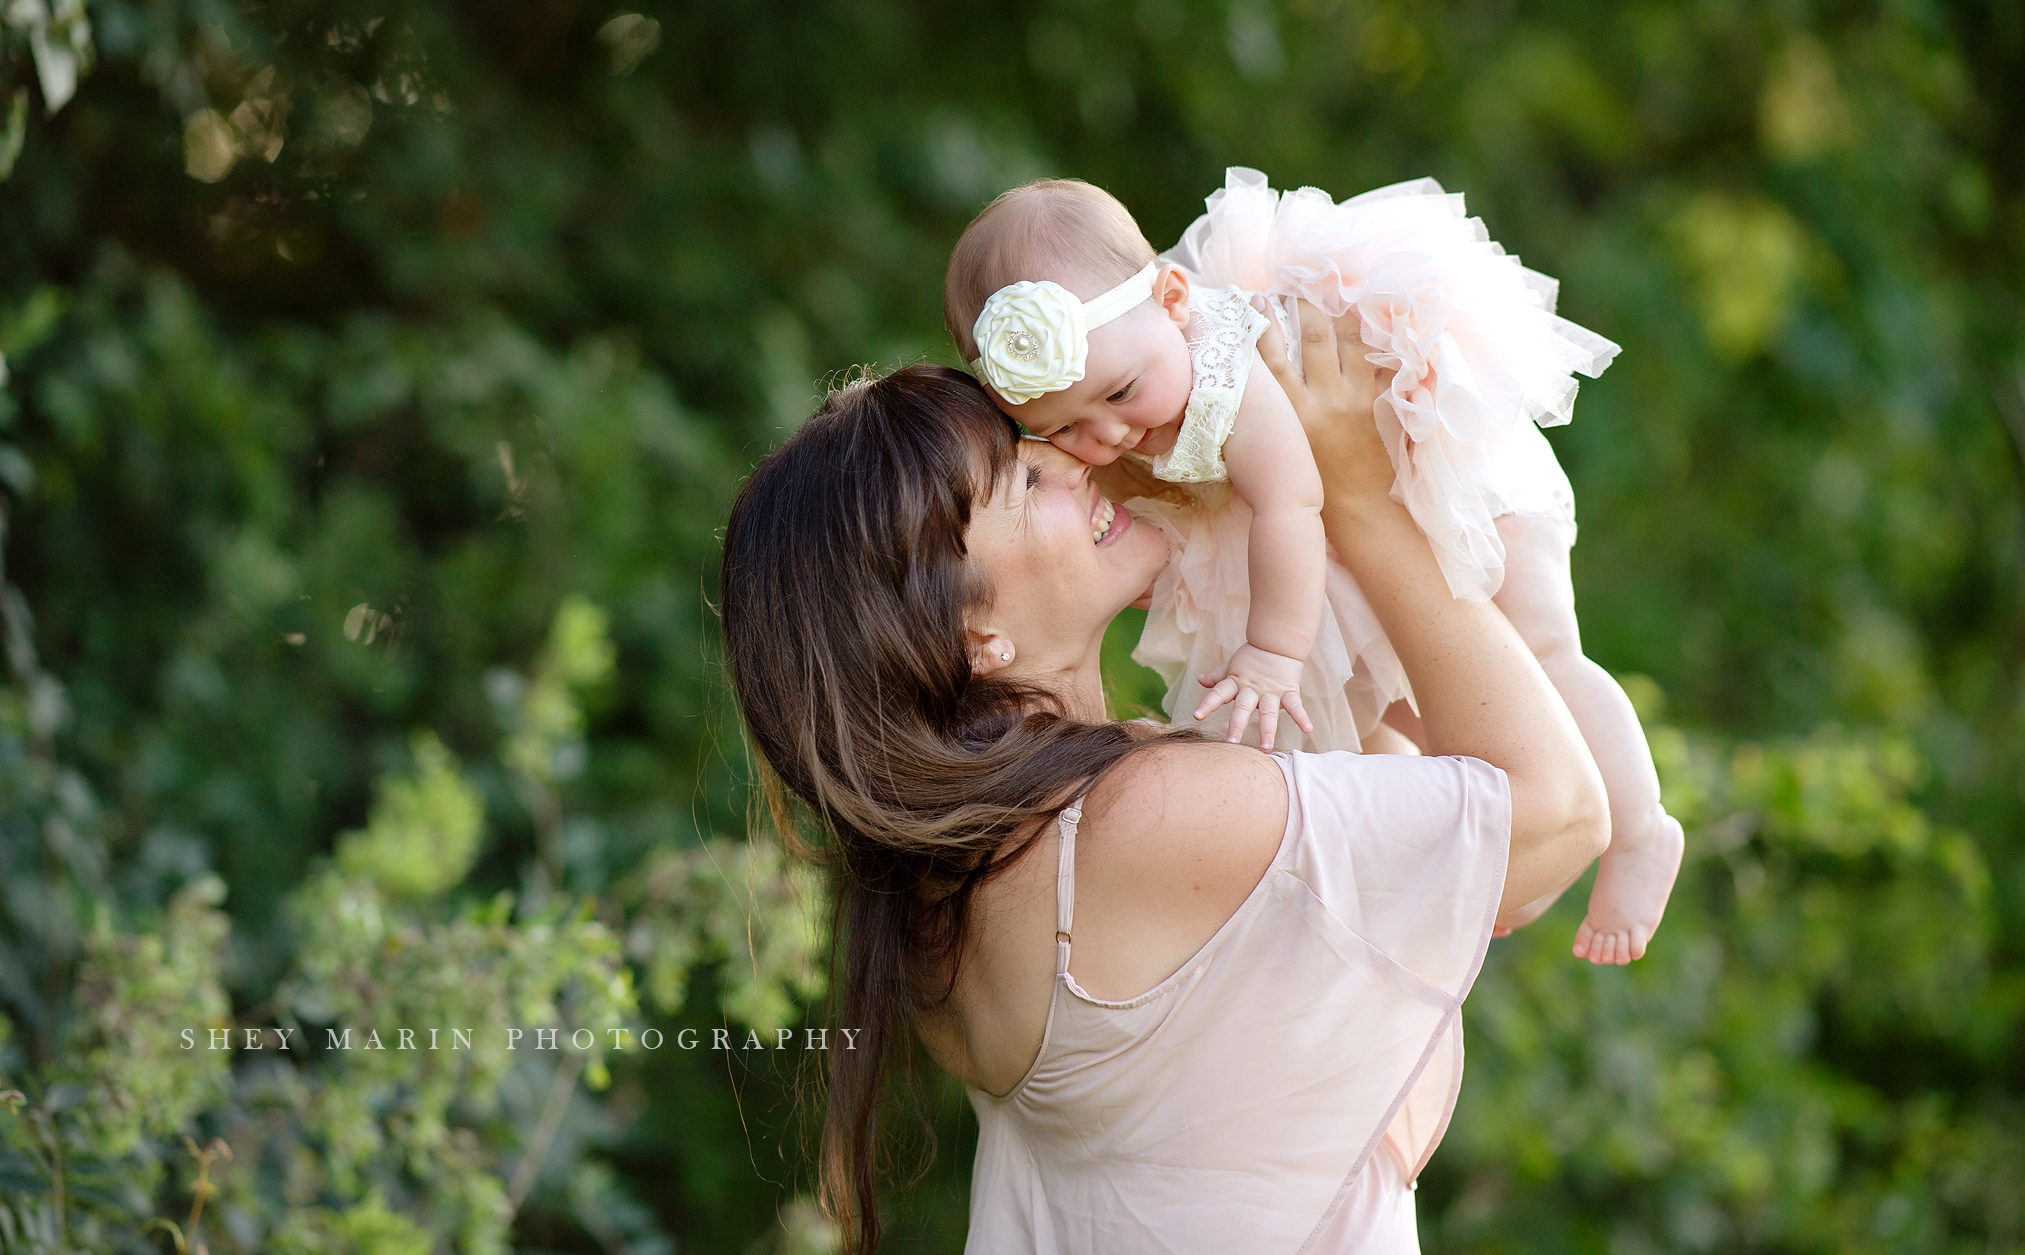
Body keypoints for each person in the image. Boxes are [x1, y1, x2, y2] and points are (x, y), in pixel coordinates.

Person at [719, 304, 1612, 1253]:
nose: (1075, 460)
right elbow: (1558, 815)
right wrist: (1350, 493)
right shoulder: (1131, 823)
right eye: (1025, 478)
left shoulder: (956, 876)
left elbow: (1386, 805)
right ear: (975, 638)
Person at [941, 171, 1684, 964]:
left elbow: (1292, 499)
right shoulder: (1138, 380)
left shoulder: (1226, 359)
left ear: (1172, 299)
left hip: (1437, 469)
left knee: (1539, 652)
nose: (1108, 434)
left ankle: (1641, 828)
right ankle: (1503, 858)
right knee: (1397, 712)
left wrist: (1272, 653)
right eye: (1066, 427)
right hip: (1350, 525)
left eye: (1121, 393)